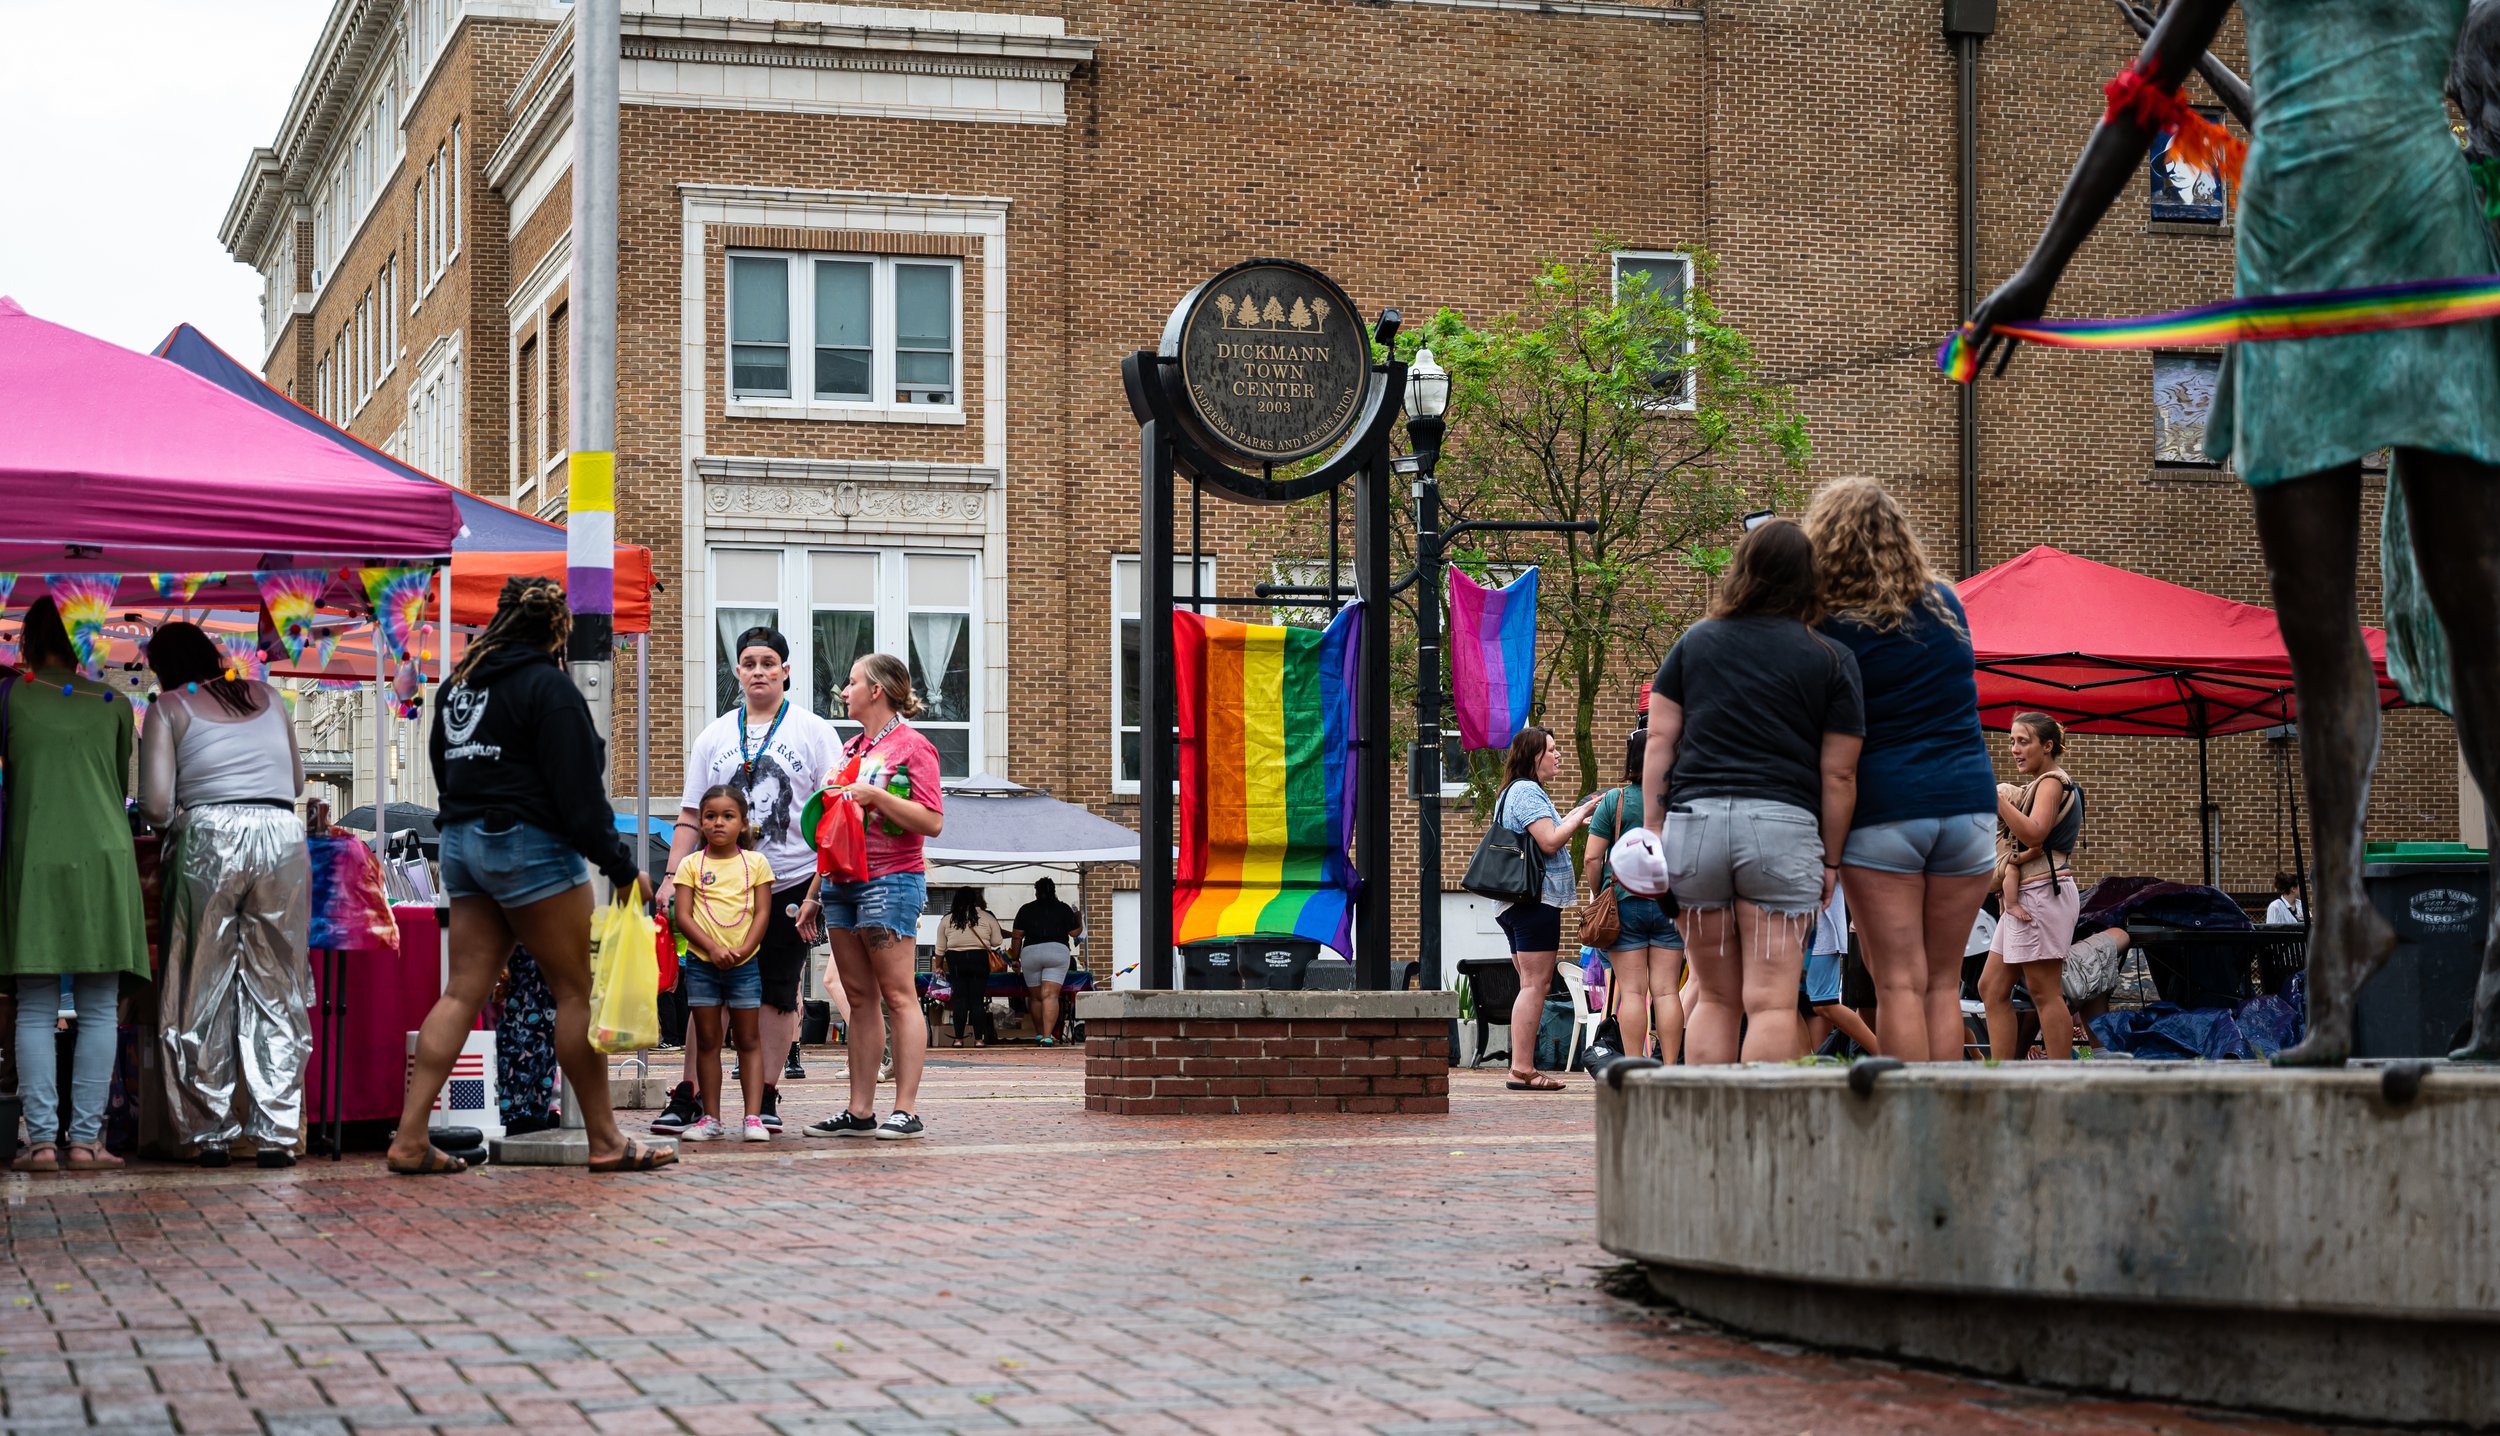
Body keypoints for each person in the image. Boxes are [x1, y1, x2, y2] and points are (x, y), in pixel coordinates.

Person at [1962, 1, 2500, 1064]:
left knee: (2476, 622)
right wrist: (2039, 269)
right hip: (2294, 246)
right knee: (2314, 631)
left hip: (2420, 239)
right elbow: (2145, 88)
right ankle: (2340, 959)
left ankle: (2497, 982)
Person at [391, 577, 671, 1174]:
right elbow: (580, 797)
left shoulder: (460, 687)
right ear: (556, 631)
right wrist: (623, 870)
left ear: (500, 621)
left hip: (464, 843)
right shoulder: (549, 687)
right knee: (572, 992)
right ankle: (605, 1140)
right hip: (532, 845)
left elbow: (445, 769)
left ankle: (410, 1138)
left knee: (462, 991)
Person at [1642, 519, 1865, 1064]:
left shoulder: (1695, 642)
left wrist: (1653, 830)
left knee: (1715, 996)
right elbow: (1840, 775)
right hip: (1783, 829)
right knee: (1768, 1003)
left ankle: (1704, 1136)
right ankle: (1756, 1139)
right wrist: (1831, 862)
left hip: (1694, 827)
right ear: (1810, 579)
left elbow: (1660, 740)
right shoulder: (1831, 658)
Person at [1807, 479, 2000, 1062]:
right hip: (1969, 804)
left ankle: (1907, 1127)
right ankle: (1945, 1126)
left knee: (1897, 982)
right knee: (1943, 983)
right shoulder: (1947, 602)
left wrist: (1828, 855)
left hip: (1884, 810)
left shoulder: (1828, 624)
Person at [653, 626, 843, 1137]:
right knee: (705, 992)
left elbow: (835, 812)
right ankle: (690, 1094)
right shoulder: (713, 735)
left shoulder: (813, 731)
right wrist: (672, 875)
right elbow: (691, 813)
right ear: (737, 672)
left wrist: (817, 888)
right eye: (748, 663)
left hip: (788, 882)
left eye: (768, 662)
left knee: (778, 992)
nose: (758, 671)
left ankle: (766, 1096)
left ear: (785, 670)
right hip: (717, 887)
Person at [139, 620, 312, 1168]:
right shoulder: (266, 695)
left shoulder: (168, 706)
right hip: (283, 835)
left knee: (198, 985)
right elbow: (299, 781)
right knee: (278, 987)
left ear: (163, 666)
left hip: (209, 837)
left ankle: (207, 1130)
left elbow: (158, 807)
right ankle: (278, 1132)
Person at [2, 598, 147, 1173]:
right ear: (82, 642)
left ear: (27, 644)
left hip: (34, 852)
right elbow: (118, 784)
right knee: (98, 1005)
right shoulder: (114, 702)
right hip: (105, 857)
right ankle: (87, 1142)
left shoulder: (12, 697)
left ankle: (40, 1143)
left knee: (35, 1005)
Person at [800, 654, 945, 1140]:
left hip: (891, 880)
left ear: (877, 690)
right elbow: (829, 828)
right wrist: (814, 895)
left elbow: (932, 822)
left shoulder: (914, 747)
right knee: (859, 998)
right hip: (840, 883)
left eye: (852, 680)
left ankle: (905, 1109)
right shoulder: (851, 748)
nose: (844, 690)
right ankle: (859, 1109)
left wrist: (876, 796)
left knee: (899, 995)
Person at [1494, 725, 1600, 1090]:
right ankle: (1522, 1068)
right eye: (1551, 750)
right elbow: (1551, 841)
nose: (1558, 756)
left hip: (1515, 903)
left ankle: (1521, 1066)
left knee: (1529, 984)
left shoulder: (1514, 791)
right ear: (1533, 756)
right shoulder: (1526, 791)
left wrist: (1573, 817)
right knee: (1536, 985)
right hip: (1534, 901)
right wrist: (1582, 811)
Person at [672, 785, 775, 1142]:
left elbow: (763, 912)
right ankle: (710, 1117)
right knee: (708, 1041)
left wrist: (745, 948)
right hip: (702, 965)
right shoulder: (690, 864)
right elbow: (682, 916)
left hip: (745, 965)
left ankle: (753, 1117)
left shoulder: (756, 863)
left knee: (748, 1039)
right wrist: (713, 949)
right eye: (711, 816)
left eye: (728, 816)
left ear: (744, 822)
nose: (719, 823)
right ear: (700, 823)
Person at [1979, 713, 2081, 1061]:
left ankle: (2059, 1081)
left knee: (2044, 991)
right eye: (2011, 741)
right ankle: (2002, 1075)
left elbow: (2035, 832)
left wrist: (1997, 801)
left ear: (2047, 746)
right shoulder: (2037, 784)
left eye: (2023, 741)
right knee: (1991, 988)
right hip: (2027, 894)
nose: (2014, 749)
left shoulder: (2052, 781)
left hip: (2042, 894)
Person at [1581, 729, 1685, 1063]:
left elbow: (1592, 858)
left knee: (1633, 993)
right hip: (1670, 904)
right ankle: (1670, 1069)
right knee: (1667, 992)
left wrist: (1601, 892)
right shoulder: (1680, 800)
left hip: (1625, 905)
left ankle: (1634, 1069)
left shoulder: (1615, 800)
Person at [1801, 887, 1880, 1058]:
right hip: (1791, 922)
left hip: (1821, 925)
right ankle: (1815, 1069)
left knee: (1825, 1004)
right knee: (1798, 1005)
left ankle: (1887, 1056)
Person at [1009, 877, 1082, 1046]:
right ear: (1054, 890)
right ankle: (1047, 1036)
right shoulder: (1063, 908)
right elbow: (1075, 933)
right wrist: (1078, 917)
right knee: (1050, 995)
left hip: (1031, 953)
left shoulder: (1026, 909)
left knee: (1035, 997)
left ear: (1036, 891)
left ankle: (1039, 1033)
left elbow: (1017, 936)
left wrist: (1014, 959)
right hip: (1057, 951)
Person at [937, 888, 1005, 1047]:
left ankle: (959, 1039)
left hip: (955, 961)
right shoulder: (987, 917)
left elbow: (940, 947)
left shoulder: (948, 919)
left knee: (960, 1000)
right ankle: (979, 1039)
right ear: (976, 900)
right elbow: (997, 941)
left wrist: (938, 966)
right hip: (979, 959)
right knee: (977, 1000)